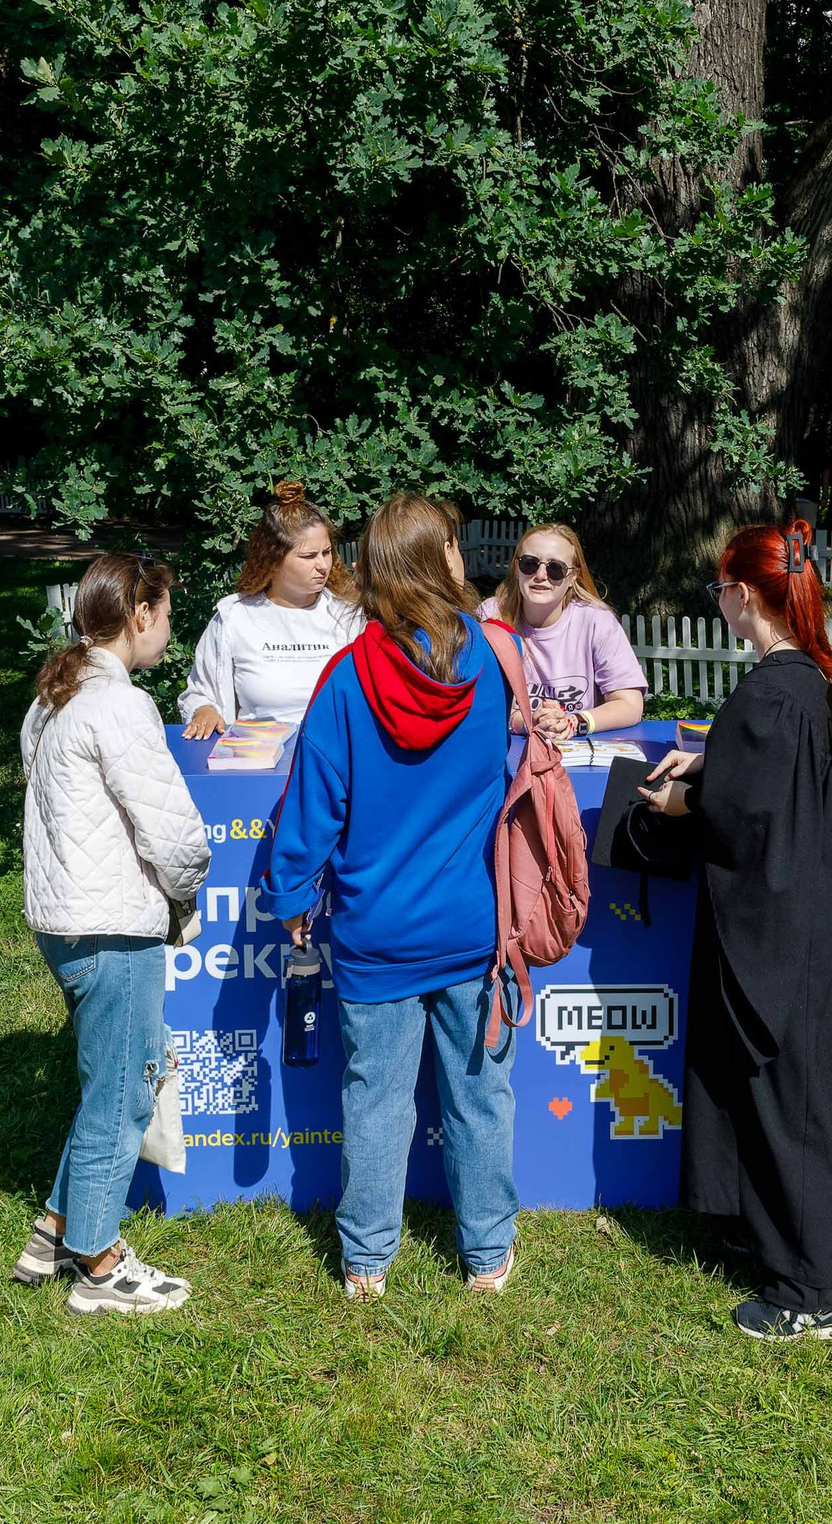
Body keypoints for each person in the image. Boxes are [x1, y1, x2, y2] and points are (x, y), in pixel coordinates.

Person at [636, 522, 832, 1339]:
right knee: (818, 1092)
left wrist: (686, 800)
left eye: (720, 588)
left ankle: (813, 1292)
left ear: (743, 595)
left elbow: (752, 820)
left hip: (781, 934)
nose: (717, 600)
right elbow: (777, 786)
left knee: (792, 1100)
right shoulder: (812, 680)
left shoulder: (765, 694)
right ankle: (805, 1242)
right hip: (824, 923)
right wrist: (712, 762)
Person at [259, 494, 522, 1300]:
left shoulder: (345, 680)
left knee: (375, 1101)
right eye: (451, 544)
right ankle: (487, 1254)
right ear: (436, 559)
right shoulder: (493, 659)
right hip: (472, 925)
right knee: (479, 1096)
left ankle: (367, 1259)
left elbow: (312, 810)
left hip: (376, 932)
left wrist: (290, 892)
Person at [14, 552, 213, 1315]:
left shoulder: (52, 698)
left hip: (64, 921)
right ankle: (99, 1263)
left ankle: (57, 1226)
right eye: (165, 613)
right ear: (139, 616)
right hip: (111, 926)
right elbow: (176, 835)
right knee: (125, 1092)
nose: (169, 627)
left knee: (109, 1079)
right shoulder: (120, 707)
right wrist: (187, 893)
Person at [180, 481, 364, 737]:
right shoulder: (234, 617)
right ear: (274, 560)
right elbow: (201, 692)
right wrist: (204, 710)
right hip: (259, 764)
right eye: (309, 556)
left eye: (327, 552)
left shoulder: (350, 616)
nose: (323, 564)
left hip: (334, 762)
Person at [477, 523, 648, 742]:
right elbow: (479, 702)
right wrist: (530, 722)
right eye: (530, 564)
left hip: (576, 748)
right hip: (512, 747)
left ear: (572, 577)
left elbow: (630, 704)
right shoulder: (491, 616)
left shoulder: (596, 620)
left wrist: (574, 722)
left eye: (555, 568)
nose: (540, 575)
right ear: (516, 568)